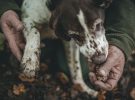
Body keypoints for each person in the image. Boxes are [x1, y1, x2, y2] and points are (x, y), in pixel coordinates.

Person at [0, 0, 135, 91]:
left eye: (97, 26)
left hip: (64, 28)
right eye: (76, 35)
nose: (97, 50)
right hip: (44, 22)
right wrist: (4, 8)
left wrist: (121, 39)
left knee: (83, 71)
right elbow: (28, 19)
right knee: (25, 50)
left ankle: (77, 80)